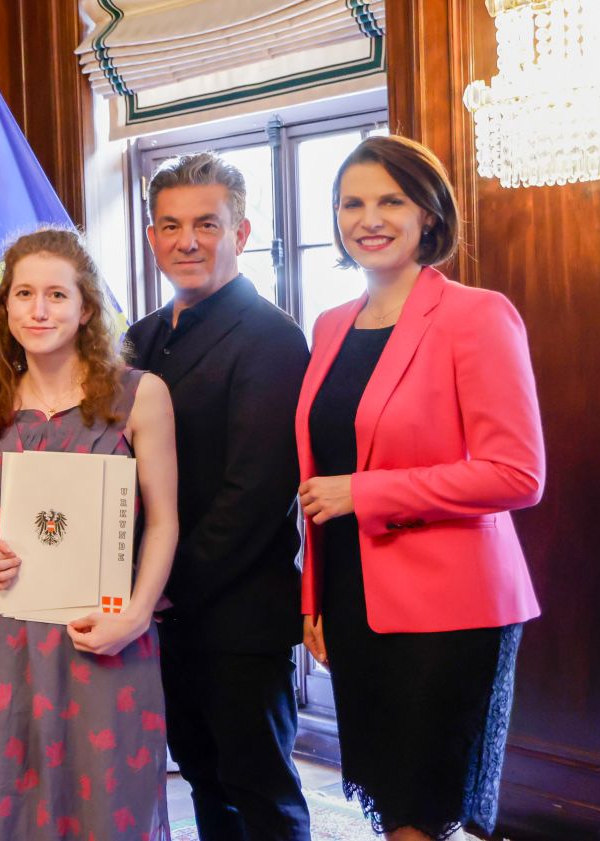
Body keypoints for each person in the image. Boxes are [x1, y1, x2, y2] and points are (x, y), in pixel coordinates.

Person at [297, 136, 542, 840]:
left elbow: (517, 472)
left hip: (452, 607)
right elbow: (322, 470)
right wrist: (316, 595)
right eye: (352, 203)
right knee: (387, 797)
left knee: (419, 812)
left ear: (429, 214)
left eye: (389, 201)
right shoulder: (330, 324)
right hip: (352, 600)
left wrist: (366, 493)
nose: (368, 218)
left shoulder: (477, 314)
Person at [0, 228, 179, 840]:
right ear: (4, 308)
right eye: (24, 294)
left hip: (107, 629)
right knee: (11, 792)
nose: (39, 310)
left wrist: (137, 616)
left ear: (86, 307)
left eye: (57, 295)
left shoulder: (140, 395)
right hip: (10, 636)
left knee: (111, 798)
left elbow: (164, 520)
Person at [125, 152, 312, 840]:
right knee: (202, 778)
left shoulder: (272, 337)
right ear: (152, 237)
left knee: (259, 790)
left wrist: (160, 587)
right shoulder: (136, 341)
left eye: (208, 223)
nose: (187, 240)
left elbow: (254, 494)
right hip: (158, 619)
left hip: (238, 617)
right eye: (170, 225)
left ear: (243, 231)